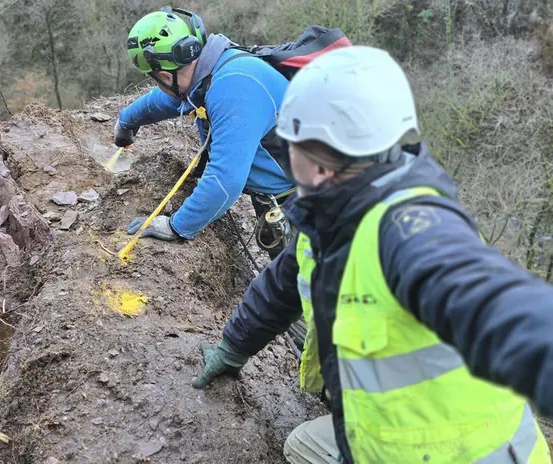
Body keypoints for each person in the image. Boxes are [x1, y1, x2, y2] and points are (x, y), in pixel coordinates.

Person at [191, 45, 553, 463]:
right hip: (395, 441)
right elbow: (280, 288)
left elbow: (493, 303)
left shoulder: (412, 230)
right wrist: (232, 349)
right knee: (302, 446)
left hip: (474, 453)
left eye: (289, 149)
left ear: (319, 162)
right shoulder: (330, 215)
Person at [115, 7, 296, 259]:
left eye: (156, 80)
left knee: (315, 286)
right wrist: (127, 122)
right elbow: (169, 100)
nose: (160, 86)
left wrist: (176, 225)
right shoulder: (211, 70)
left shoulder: (233, 88)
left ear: (166, 76)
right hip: (292, 191)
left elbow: (225, 180)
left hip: (322, 203)